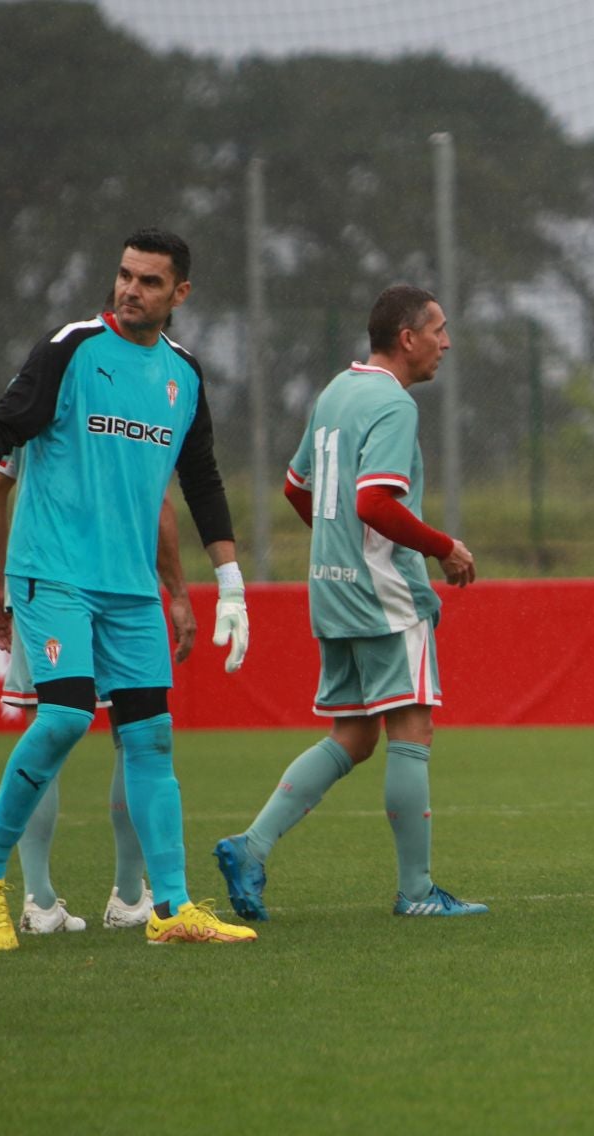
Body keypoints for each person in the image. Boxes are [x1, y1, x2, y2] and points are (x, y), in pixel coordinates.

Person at [0, 227, 253, 951]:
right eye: (124, 275)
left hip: (130, 587)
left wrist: (227, 583)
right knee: (67, 718)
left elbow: (199, 479)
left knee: (151, 738)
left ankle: (169, 910)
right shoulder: (71, 349)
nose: (130, 289)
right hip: (54, 572)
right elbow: (0, 432)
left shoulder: (184, 375)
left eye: (148, 281)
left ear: (180, 294)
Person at [213, 285, 483, 922]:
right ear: (407, 337)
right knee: (412, 729)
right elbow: (374, 503)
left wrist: (336, 545)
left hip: (331, 588)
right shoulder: (393, 405)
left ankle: (250, 846)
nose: (446, 342)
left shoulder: (335, 391)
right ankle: (416, 893)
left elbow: (295, 486)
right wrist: (445, 547)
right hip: (385, 591)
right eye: (438, 330)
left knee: (355, 735)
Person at [0, 464, 194, 933]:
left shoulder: (39, 391)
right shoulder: (135, 398)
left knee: (51, 724)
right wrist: (178, 590)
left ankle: (38, 901)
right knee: (136, 733)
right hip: (121, 581)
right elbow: (159, 502)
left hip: (48, 576)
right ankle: (128, 895)